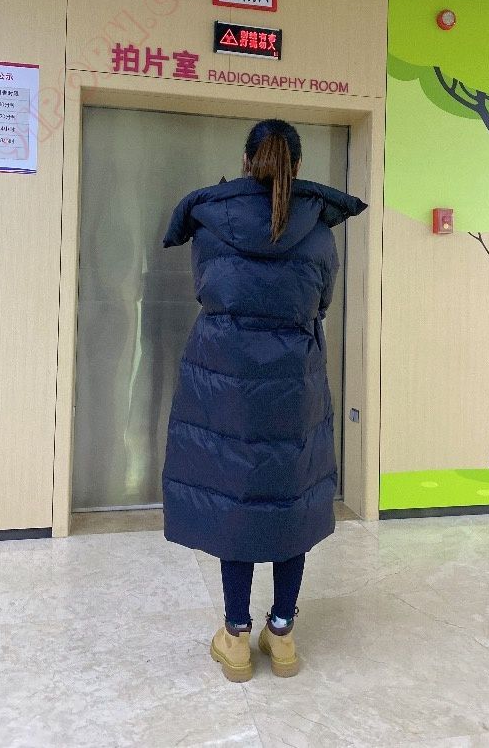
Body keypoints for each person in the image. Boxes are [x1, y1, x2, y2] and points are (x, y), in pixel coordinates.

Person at [161, 118, 368, 682]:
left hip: (223, 379)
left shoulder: (212, 225)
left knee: (237, 498)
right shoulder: (318, 232)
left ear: (246, 161)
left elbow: (207, 291)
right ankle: (281, 633)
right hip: (292, 381)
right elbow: (319, 303)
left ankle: (234, 636)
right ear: (297, 166)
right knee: (288, 500)